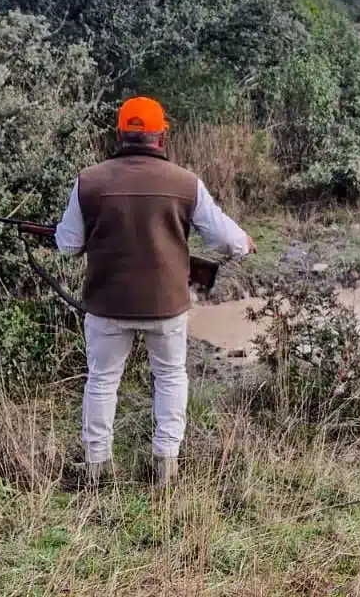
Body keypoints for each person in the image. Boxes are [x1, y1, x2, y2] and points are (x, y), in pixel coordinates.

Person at [54, 96, 256, 488]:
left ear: (119, 134)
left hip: (107, 304)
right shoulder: (185, 183)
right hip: (166, 307)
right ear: (161, 136)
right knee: (169, 378)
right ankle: (166, 463)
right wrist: (245, 243)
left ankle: (98, 467)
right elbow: (229, 241)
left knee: (101, 382)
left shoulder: (89, 181)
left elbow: (66, 244)